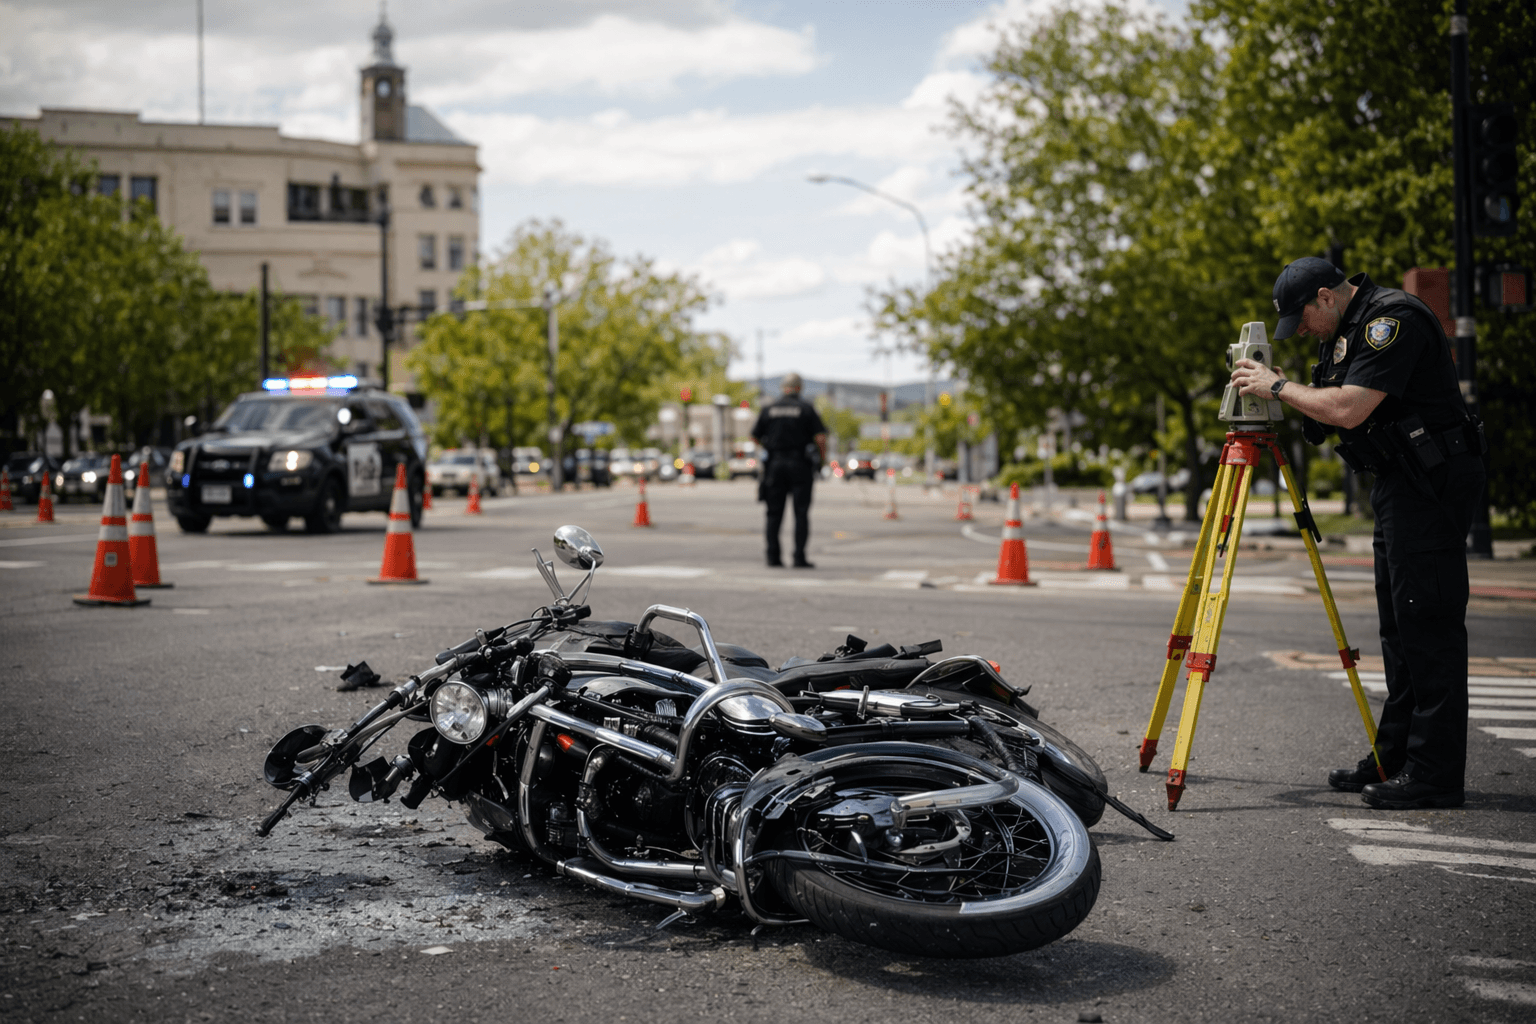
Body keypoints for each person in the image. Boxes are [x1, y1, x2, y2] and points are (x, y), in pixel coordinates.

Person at [1230, 256, 1486, 810]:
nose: (1301, 332)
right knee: (1398, 626)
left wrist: (1278, 387)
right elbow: (1324, 420)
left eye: (1302, 319)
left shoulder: (1388, 321)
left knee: (1428, 624)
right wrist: (1291, 395)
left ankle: (1435, 775)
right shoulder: (1343, 332)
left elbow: (1349, 407)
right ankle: (1395, 754)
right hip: (1399, 481)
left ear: (1325, 295)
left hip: (1431, 481)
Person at [751, 373, 827, 568]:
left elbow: (754, 436)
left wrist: (769, 447)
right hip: (799, 464)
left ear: (782, 388)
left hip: (774, 465)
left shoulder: (769, 408)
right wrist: (822, 460)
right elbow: (820, 438)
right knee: (801, 513)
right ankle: (799, 557)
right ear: (799, 388)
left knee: (773, 513)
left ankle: (773, 557)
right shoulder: (806, 408)